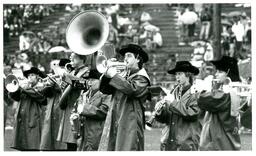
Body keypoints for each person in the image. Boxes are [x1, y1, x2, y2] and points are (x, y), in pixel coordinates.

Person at [98, 44, 151, 151]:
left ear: (138, 59)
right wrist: (106, 75)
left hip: (130, 124)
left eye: (129, 56)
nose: (125, 59)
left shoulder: (142, 78)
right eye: (125, 56)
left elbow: (131, 90)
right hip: (117, 120)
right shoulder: (123, 75)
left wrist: (114, 75)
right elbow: (105, 90)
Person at [154, 61, 202, 151]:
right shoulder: (173, 92)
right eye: (176, 74)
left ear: (188, 74)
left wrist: (173, 103)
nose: (177, 77)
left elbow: (193, 114)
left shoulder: (196, 93)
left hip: (185, 144)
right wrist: (160, 113)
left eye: (180, 74)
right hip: (169, 141)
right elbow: (166, 118)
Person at [198, 56, 241, 150]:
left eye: (220, 72)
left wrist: (199, 89)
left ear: (229, 74)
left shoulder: (228, 94)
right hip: (217, 143)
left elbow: (204, 100)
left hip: (221, 144)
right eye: (216, 71)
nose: (216, 74)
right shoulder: (225, 92)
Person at [8, 67, 48, 151]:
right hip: (22, 120)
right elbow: (16, 98)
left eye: (32, 75)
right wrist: (14, 89)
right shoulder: (25, 86)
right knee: (23, 146)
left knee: (33, 146)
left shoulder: (41, 85)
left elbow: (40, 97)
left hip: (34, 119)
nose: (30, 77)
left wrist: (23, 88)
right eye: (28, 75)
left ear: (37, 76)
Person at [57, 52, 90, 151]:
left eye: (73, 58)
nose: (71, 59)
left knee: (78, 144)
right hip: (69, 109)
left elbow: (85, 84)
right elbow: (64, 88)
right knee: (70, 145)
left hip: (78, 110)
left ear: (81, 58)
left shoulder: (87, 71)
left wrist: (67, 77)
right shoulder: (72, 72)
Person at [76, 69, 110, 151]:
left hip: (97, 135)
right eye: (88, 80)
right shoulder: (84, 94)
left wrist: (84, 109)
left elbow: (104, 111)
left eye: (93, 80)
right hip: (83, 135)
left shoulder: (106, 94)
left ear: (100, 81)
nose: (89, 82)